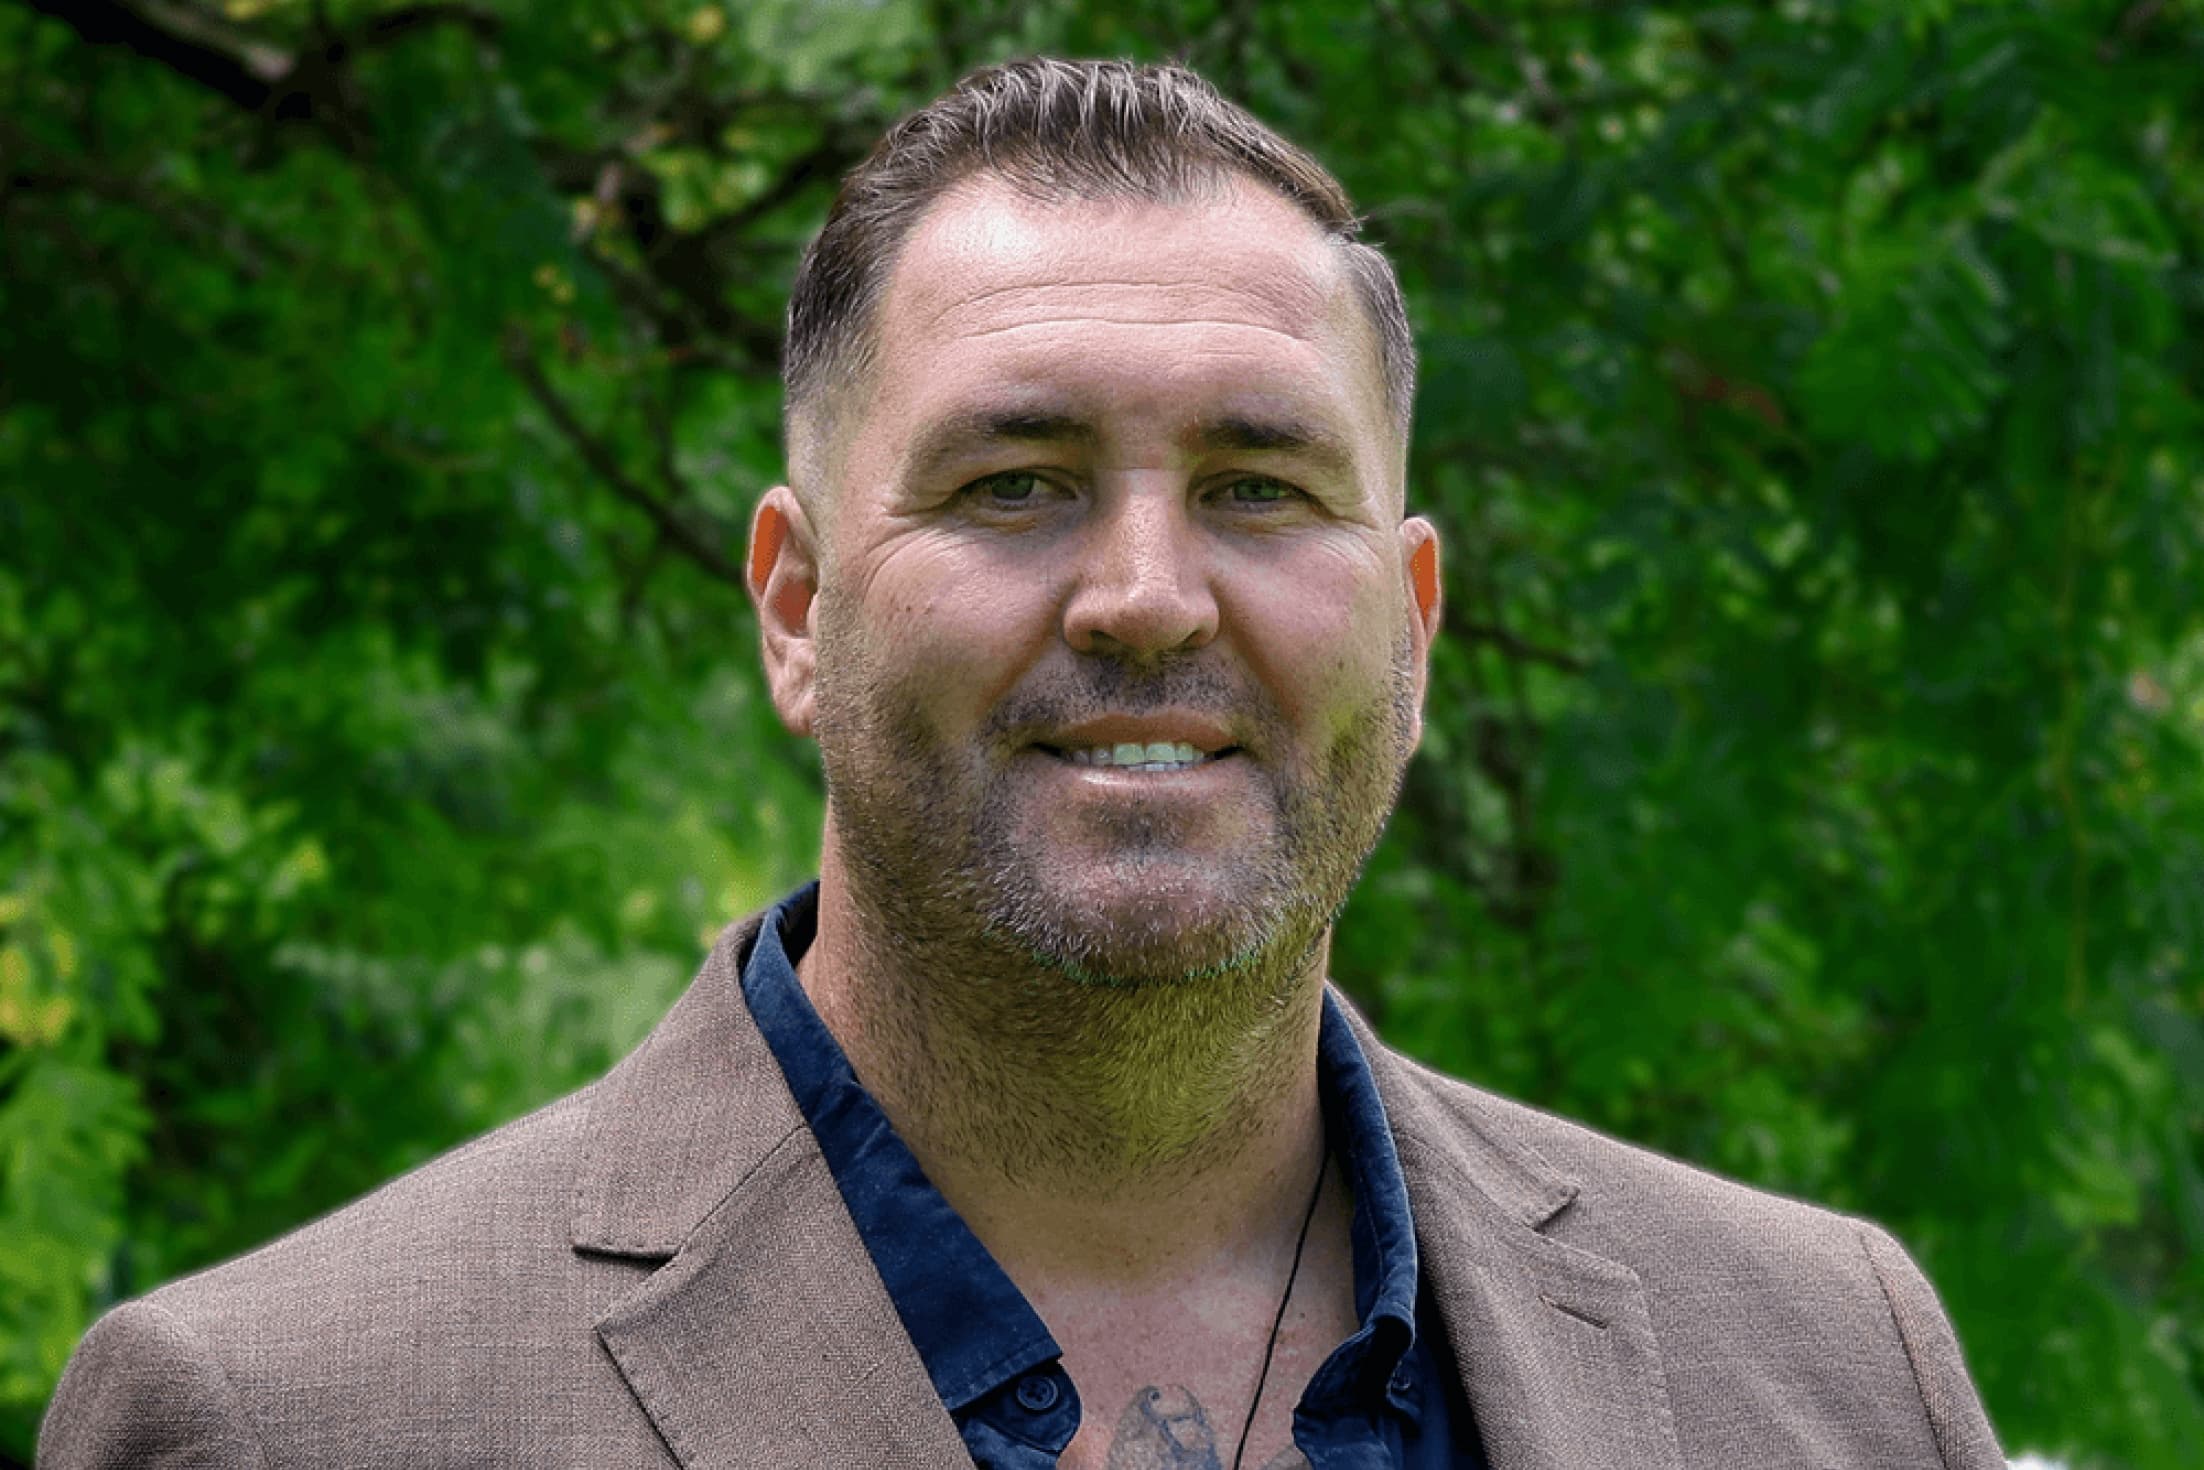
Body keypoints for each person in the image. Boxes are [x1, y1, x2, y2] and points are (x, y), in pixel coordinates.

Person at [41, 57, 2004, 1470]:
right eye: (1015, 483)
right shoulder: (283, 1419)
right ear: (797, 607)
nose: (1147, 596)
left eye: (1257, 485)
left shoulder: (1832, 1369)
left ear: (1410, 622)